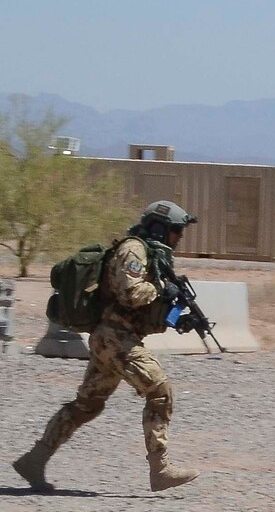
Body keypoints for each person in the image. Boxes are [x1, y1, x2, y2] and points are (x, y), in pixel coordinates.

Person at [13, 201, 201, 492]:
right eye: (176, 231)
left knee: (87, 405)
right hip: (115, 338)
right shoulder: (134, 250)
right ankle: (160, 469)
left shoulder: (154, 257)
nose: (178, 237)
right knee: (160, 392)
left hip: (114, 339)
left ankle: (34, 460)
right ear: (158, 228)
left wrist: (176, 318)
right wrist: (162, 289)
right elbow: (130, 293)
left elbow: (146, 311)